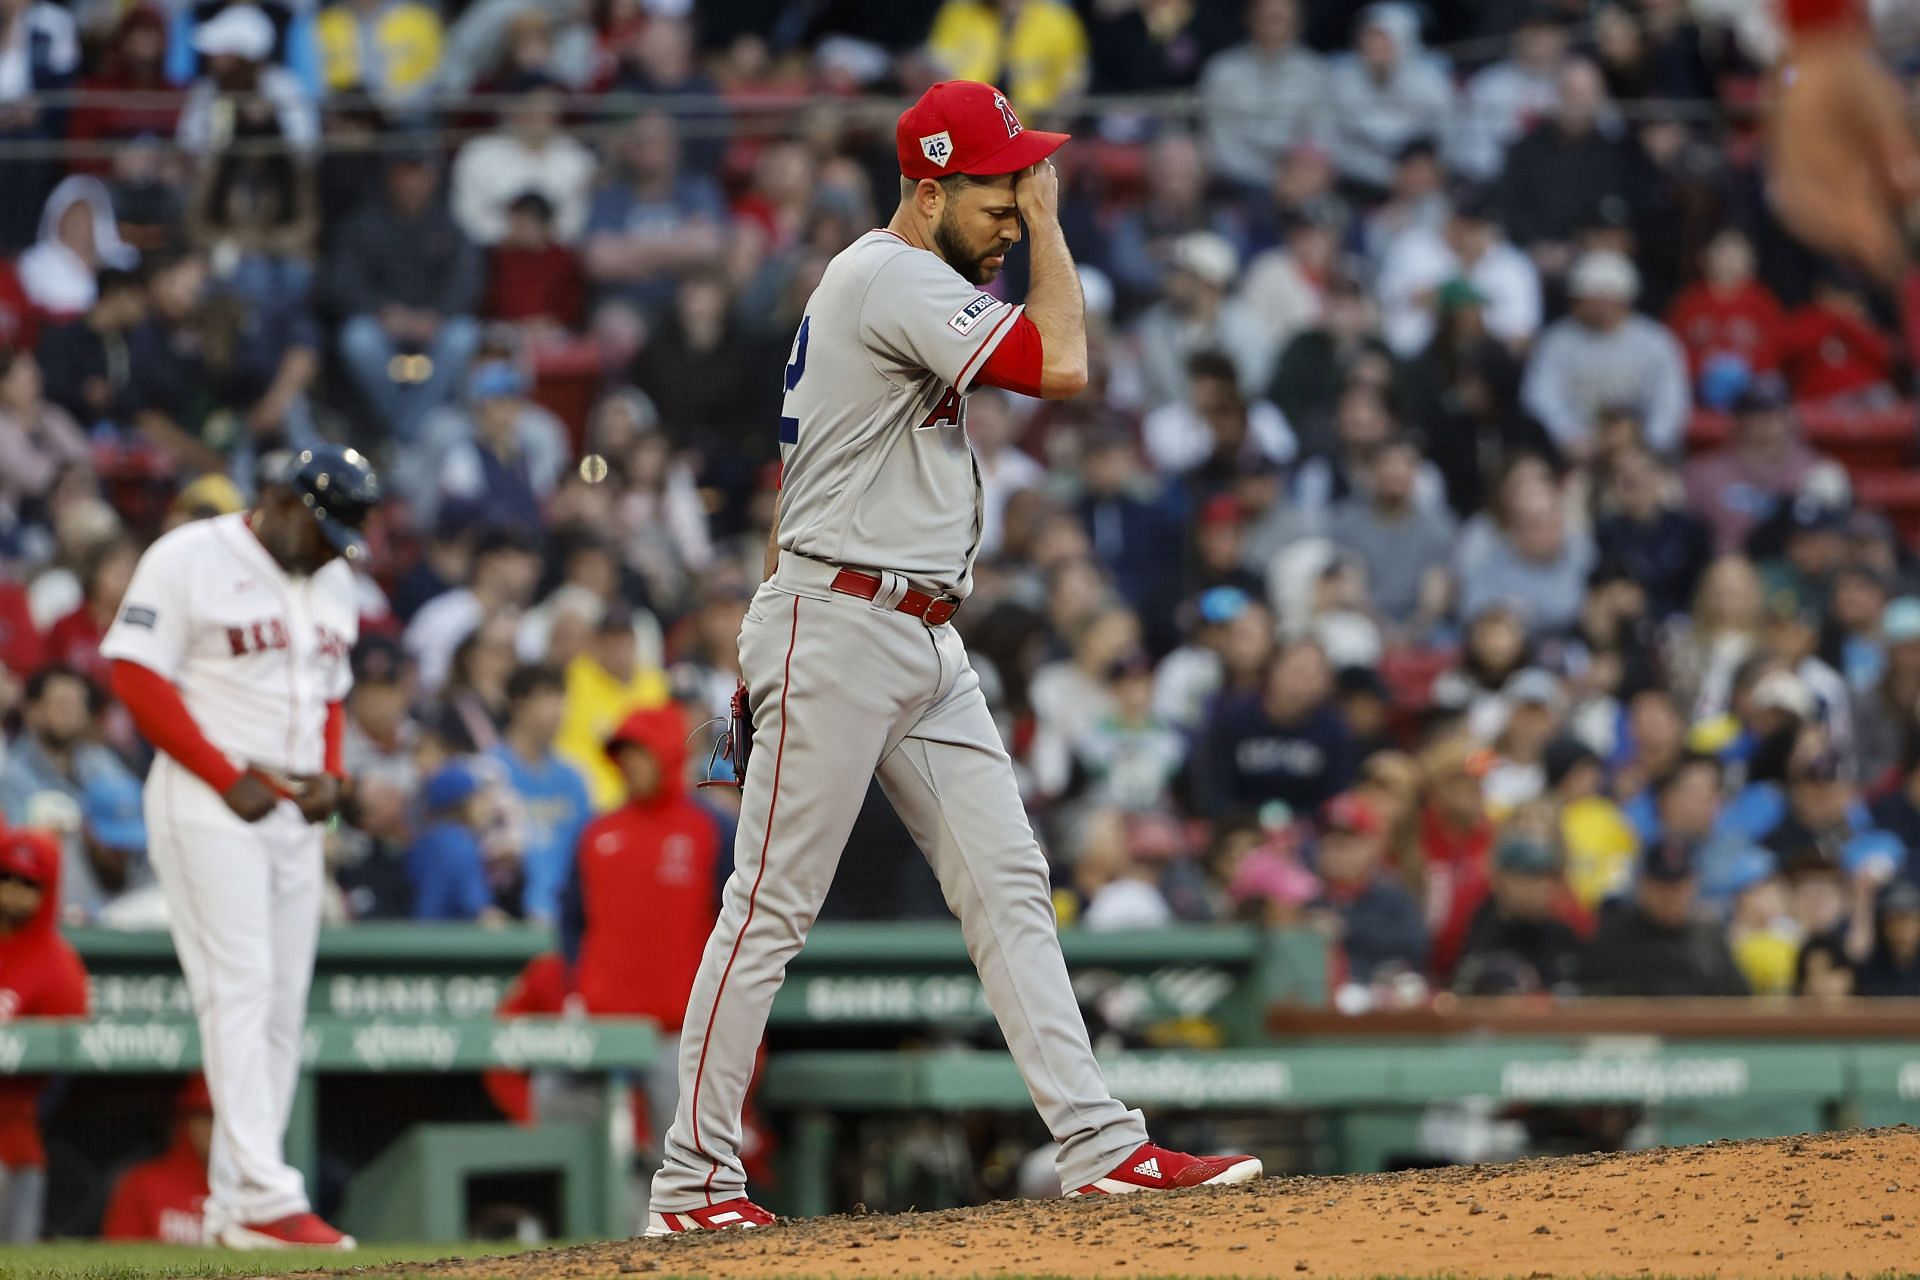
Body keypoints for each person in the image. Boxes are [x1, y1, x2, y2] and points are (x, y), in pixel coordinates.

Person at [646, 81, 1259, 1237]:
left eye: (1028, 181)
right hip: (837, 621)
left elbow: (809, 476)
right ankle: (692, 1184)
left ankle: (1099, 1144)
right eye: (1000, 184)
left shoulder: (901, 283)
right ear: (929, 188)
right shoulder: (888, 273)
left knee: (1010, 881)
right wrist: (1062, 227)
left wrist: (757, 644)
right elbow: (1064, 362)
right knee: (769, 909)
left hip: (916, 632)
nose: (1022, 204)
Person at [99, 447, 377, 1251]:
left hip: (290, 809)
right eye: (321, 528)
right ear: (281, 500)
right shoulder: (189, 555)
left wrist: (331, 775)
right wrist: (224, 776)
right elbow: (137, 677)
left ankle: (239, 1200)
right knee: (243, 986)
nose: (330, 549)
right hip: (206, 798)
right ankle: (261, 1193)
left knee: (284, 1002)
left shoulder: (331, 581)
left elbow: (329, 695)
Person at [565, 706, 727, 1156]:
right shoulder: (597, 832)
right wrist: (577, 988)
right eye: (625, 754)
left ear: (666, 755)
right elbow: (571, 924)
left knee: (681, 1157)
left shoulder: (711, 830)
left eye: (641, 752)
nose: (631, 764)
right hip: (603, 1027)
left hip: (676, 1030)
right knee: (591, 1157)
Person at [330, 150, 483, 442]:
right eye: (405, 174)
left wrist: (438, 314)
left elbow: (467, 281)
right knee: (357, 339)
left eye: (420, 174)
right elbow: (343, 282)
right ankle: (415, 432)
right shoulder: (364, 223)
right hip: (384, 325)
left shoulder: (448, 223)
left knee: (464, 336)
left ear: (433, 179)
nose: (413, 183)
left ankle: (402, 434)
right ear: (391, 178)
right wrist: (382, 310)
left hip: (434, 326)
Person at [0, 829, 88, 1243]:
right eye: (7, 878)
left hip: (17, 1139)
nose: (15, 893)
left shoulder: (57, 964)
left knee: (16, 1259)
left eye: (28, 883)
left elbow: (63, 1069)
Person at [1520, 250, 1690, 459]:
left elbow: (1670, 400)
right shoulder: (1557, 341)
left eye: (1606, 300)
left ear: (1625, 300)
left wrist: (1648, 443)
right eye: (1591, 300)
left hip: (1641, 446)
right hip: (1575, 446)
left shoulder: (1655, 341)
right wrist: (1568, 436)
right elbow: (1541, 398)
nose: (1599, 309)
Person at [1578, 840, 1749, 996]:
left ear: (1693, 886)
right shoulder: (1612, 937)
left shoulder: (1710, 937)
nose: (1670, 897)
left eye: (1678, 888)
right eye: (1661, 887)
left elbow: (1740, 1001)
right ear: (1643, 885)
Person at [491, 664, 591, 923]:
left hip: (565, 919)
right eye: (547, 697)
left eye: (561, 698)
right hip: (510, 919)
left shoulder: (573, 778)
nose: (558, 708)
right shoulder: (488, 773)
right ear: (519, 705)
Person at [1197, 0, 1325, 194]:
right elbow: (1220, 144)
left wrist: (1297, 176)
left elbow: (1321, 138)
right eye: (1266, 17)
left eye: (1280, 18)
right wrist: (1272, 180)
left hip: (1301, 186)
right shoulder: (1223, 71)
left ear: (1298, 23)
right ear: (1250, 19)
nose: (1273, 25)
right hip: (1237, 183)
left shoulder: (1315, 73)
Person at [1308, 791, 1428, 983]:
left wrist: (1345, 928)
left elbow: (1414, 949)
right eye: (1330, 838)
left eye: (1348, 840)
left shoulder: (1393, 898)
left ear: (1372, 846)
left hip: (1379, 1000)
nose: (1337, 849)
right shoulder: (1309, 902)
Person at [1450, 834, 1584, 993]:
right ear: (1499, 880)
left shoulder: (1564, 937)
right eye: (1523, 876)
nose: (1534, 887)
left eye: (1541, 877)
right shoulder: (1483, 934)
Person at [101, 1076, 215, 1243]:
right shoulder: (142, 1183)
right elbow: (117, 1259)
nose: (215, 1129)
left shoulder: (260, 1189)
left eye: (224, 1118)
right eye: (206, 1117)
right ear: (185, 1119)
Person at [406, 760, 503, 922]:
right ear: (460, 805)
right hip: (446, 943)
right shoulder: (460, 844)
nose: (489, 807)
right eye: (479, 798)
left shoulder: (427, 841)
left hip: (419, 938)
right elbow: (482, 912)